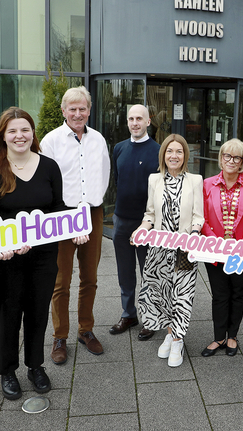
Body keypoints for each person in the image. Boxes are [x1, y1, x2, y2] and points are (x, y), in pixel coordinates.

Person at [0, 107, 73, 400]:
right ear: (3, 136)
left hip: (43, 256)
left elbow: (58, 207)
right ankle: (8, 370)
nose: (19, 136)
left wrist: (75, 224)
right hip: (6, 259)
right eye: (12, 131)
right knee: (8, 315)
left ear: (33, 134)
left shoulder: (48, 166)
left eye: (25, 130)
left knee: (37, 312)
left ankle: (35, 365)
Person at [41, 86, 111, 365]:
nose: (78, 113)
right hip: (62, 216)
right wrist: (66, 215)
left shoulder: (98, 140)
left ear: (89, 110)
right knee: (60, 281)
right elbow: (46, 181)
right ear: (63, 111)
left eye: (83, 108)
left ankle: (86, 329)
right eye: (73, 108)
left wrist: (92, 205)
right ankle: (60, 336)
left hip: (92, 213)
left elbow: (104, 174)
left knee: (90, 278)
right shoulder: (51, 141)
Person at [134, 134, 204, 367]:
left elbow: (198, 216)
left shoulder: (195, 180)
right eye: (170, 151)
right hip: (160, 249)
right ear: (163, 154)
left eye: (179, 151)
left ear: (185, 155)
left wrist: (193, 236)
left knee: (182, 294)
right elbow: (150, 214)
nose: (174, 155)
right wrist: (141, 230)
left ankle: (178, 340)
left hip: (185, 248)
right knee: (162, 295)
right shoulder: (154, 179)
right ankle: (170, 332)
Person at [200, 139, 243, 357]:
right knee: (219, 294)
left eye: (237, 157)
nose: (231, 161)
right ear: (221, 157)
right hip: (214, 249)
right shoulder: (207, 184)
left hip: (242, 252)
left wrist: (241, 247)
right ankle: (218, 337)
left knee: (238, 292)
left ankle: (232, 336)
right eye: (227, 156)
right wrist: (216, 243)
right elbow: (203, 219)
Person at [109, 104, 160, 340]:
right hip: (121, 220)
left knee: (148, 272)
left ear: (148, 121)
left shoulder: (159, 151)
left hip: (147, 223)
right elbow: (118, 181)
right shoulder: (119, 149)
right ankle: (129, 314)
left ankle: (150, 317)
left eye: (139, 118)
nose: (134, 123)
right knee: (125, 272)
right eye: (131, 118)